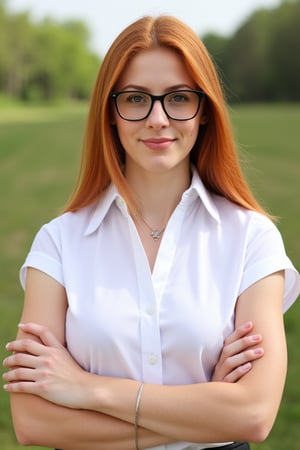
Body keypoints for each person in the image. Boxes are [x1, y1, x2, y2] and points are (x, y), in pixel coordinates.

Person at [2, 15, 300, 450]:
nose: (158, 119)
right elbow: (34, 423)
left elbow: (253, 415)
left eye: (179, 98)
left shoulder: (251, 237)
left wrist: (90, 390)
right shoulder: (59, 243)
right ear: (110, 115)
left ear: (205, 113)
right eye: (137, 99)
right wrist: (207, 414)